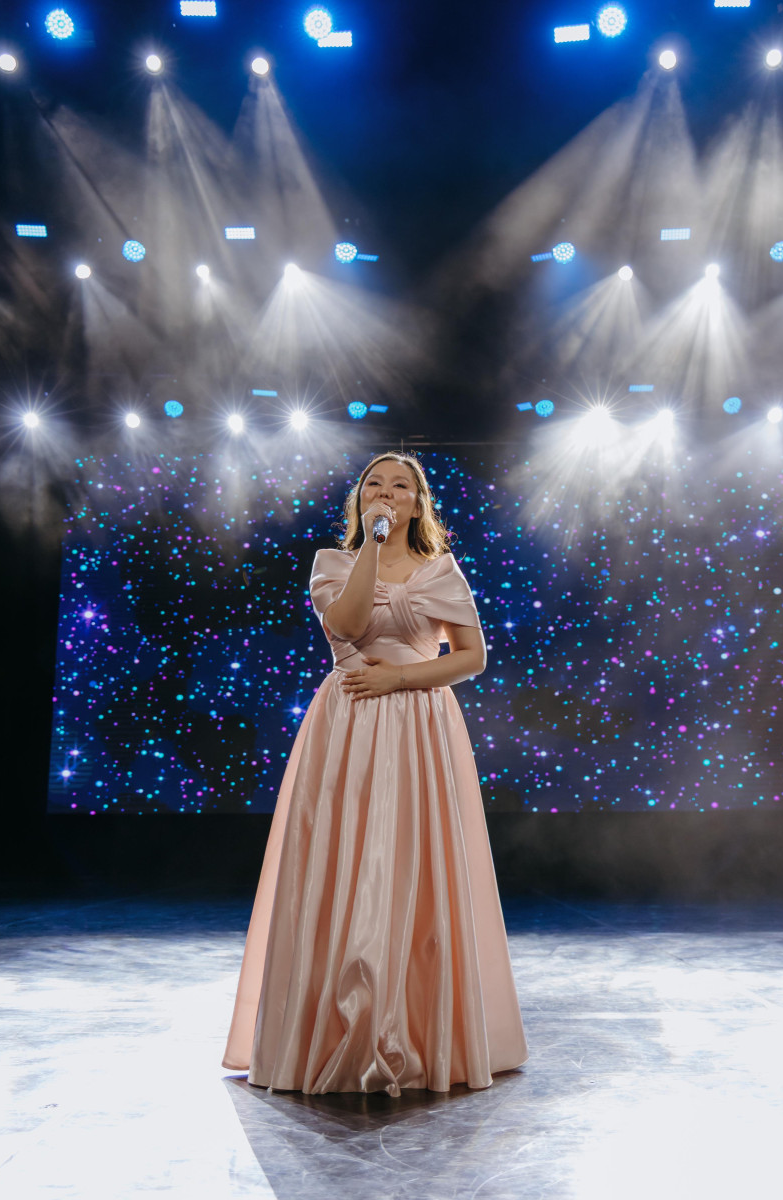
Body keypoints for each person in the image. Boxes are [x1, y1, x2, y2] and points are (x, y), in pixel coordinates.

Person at [222, 451, 527, 1095]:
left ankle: (414, 1030)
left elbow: (471, 657)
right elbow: (348, 624)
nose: (386, 493)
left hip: (419, 725)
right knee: (344, 860)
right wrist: (372, 547)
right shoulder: (332, 563)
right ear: (361, 500)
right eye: (374, 485)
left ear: (418, 503)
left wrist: (402, 677)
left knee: (413, 863)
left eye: (400, 486)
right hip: (346, 726)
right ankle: (334, 1030)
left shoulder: (441, 570)